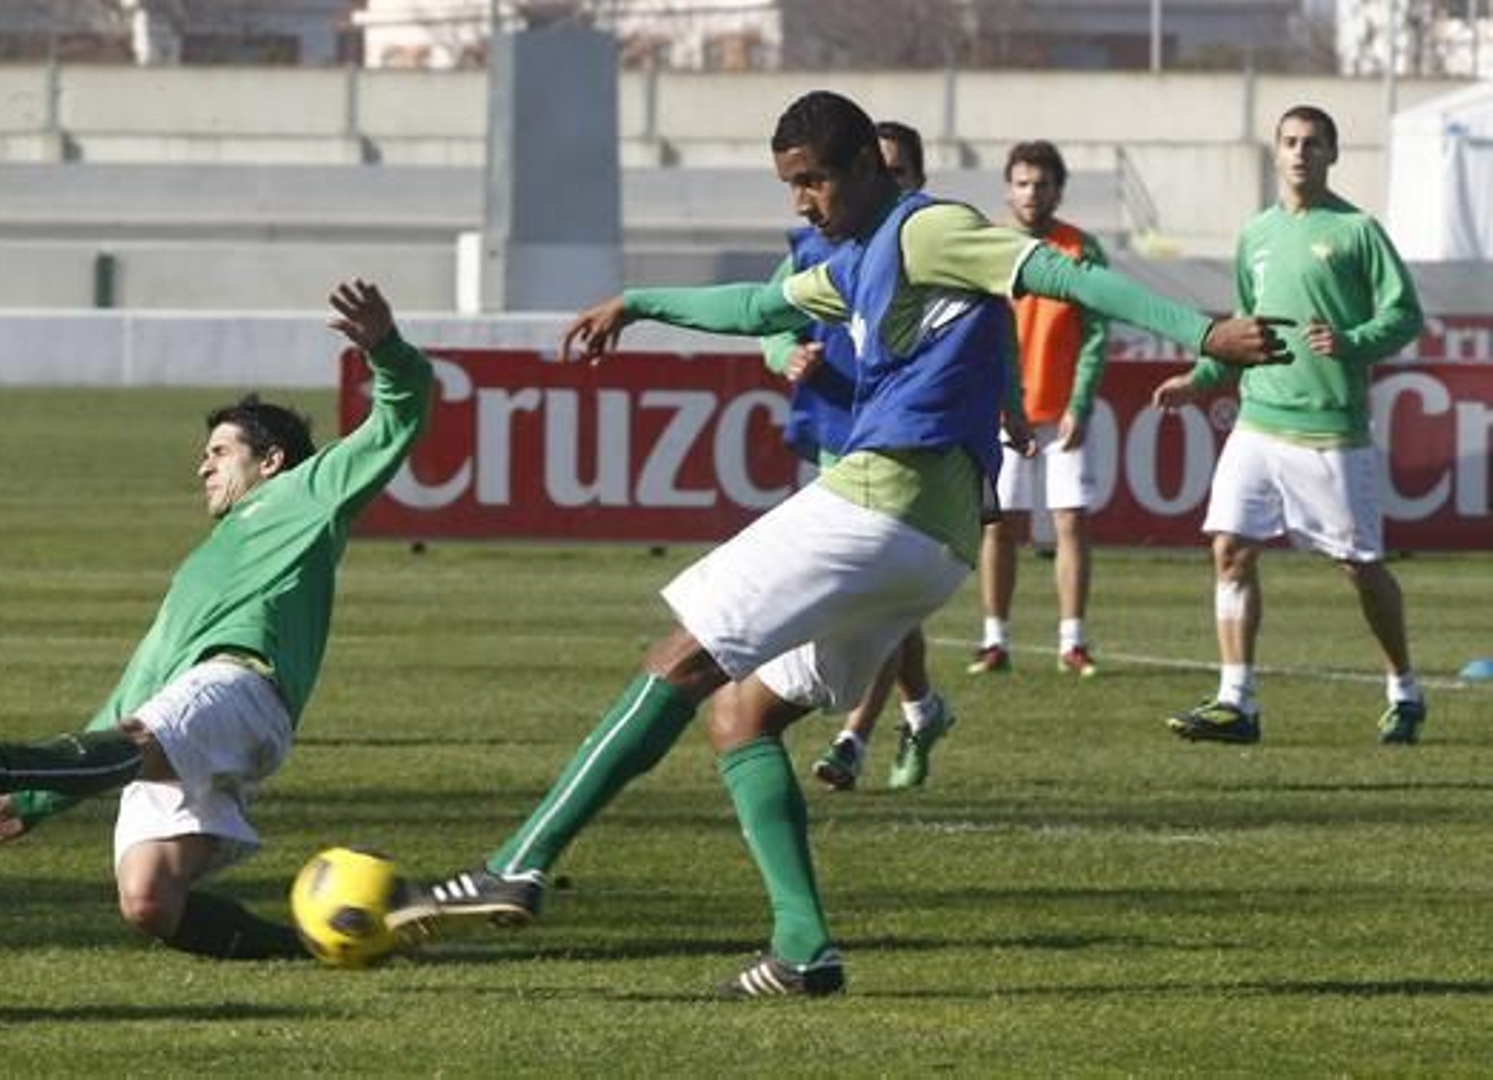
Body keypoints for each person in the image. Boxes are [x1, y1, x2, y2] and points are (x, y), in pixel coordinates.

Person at [386, 90, 1290, 999]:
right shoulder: (857, 262)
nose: (802, 202)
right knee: (741, 716)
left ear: (867, 167)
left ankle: (520, 860)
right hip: (932, 547)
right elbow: (758, 305)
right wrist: (638, 301)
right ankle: (802, 946)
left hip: (878, 502)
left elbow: (1066, 279)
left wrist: (1201, 330)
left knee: (680, 656)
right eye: (791, 186)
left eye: (813, 180)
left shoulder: (925, 229)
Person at [0, 279, 435, 959]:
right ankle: (314, 949)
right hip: (188, 710)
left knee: (141, 738)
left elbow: (402, 414)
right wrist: (40, 805)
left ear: (270, 460)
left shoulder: (309, 492)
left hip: (243, 690)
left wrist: (385, 349)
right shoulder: (204, 565)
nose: (202, 466)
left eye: (219, 452)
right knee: (149, 902)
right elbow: (136, 691)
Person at [1153, 104, 1427, 746]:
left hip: (1330, 431)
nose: (1300, 152)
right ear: (1275, 152)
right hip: (1257, 422)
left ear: (1332, 154)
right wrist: (1197, 380)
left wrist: (1354, 340)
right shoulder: (1256, 235)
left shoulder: (1358, 231)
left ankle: (1405, 690)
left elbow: (1406, 315)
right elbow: (1244, 330)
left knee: (1360, 567)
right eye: (1290, 142)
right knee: (1229, 549)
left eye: (1313, 143)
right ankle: (1236, 702)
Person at [761, 118, 965, 793]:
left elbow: (982, 333)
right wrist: (785, 353)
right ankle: (922, 708)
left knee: (876, 601)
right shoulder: (818, 249)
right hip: (838, 435)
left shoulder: (931, 246)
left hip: (907, 449)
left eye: (901, 171)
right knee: (882, 608)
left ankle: (852, 738)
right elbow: (766, 317)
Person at [968, 140, 1108, 678]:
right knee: (997, 524)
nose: (1032, 193)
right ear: (1008, 189)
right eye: (1023, 183)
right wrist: (993, 400)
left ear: (1058, 190)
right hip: (1004, 411)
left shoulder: (1080, 249)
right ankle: (994, 639)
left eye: (1042, 183)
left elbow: (1096, 333)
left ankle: (1072, 640)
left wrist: (1080, 401)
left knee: (1070, 520)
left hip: (1061, 412)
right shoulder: (990, 247)